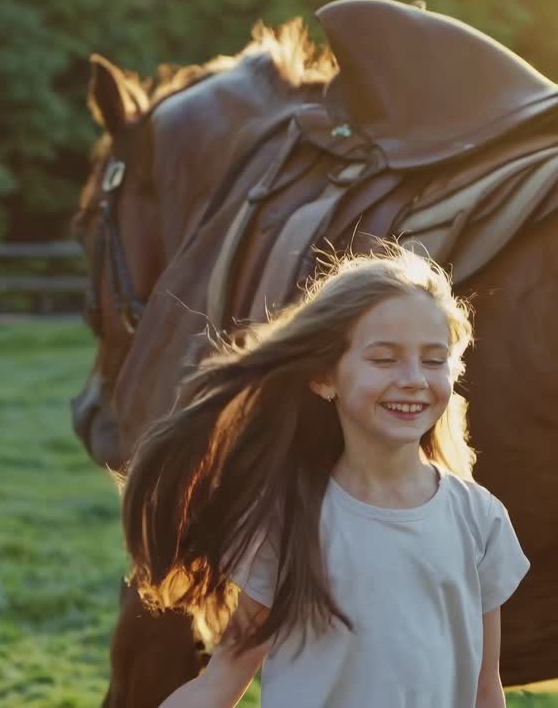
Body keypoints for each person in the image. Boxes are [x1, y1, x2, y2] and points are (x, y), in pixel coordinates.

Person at [120, 245, 530, 707]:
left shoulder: (479, 519)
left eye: (433, 359)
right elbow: (221, 682)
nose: (414, 378)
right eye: (384, 358)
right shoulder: (290, 518)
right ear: (324, 377)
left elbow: (483, 686)